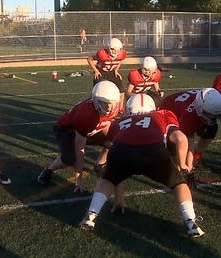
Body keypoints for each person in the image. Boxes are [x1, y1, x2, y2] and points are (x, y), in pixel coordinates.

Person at [79, 93, 204, 237]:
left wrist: (119, 199)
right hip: (153, 151)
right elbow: (181, 138)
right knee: (178, 184)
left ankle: (91, 215)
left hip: (121, 151)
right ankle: (191, 222)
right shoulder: (162, 114)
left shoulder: (118, 122)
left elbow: (116, 155)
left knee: (108, 179)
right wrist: (182, 164)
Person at [37, 81, 121, 192]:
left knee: (114, 143)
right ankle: (48, 170)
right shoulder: (86, 114)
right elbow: (79, 149)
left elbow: (106, 123)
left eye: (112, 103)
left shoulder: (115, 108)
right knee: (69, 159)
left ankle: (99, 165)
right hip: (67, 131)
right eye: (104, 103)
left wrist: (111, 139)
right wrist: (79, 177)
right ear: (95, 100)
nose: (109, 107)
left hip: (91, 129)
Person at [160, 88, 221, 181]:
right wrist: (188, 168)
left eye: (213, 116)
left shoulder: (210, 101)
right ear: (199, 107)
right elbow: (189, 141)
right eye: (208, 114)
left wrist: (191, 162)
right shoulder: (189, 115)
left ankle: (197, 158)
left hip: (186, 108)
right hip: (168, 110)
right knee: (177, 147)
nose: (211, 118)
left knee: (211, 129)